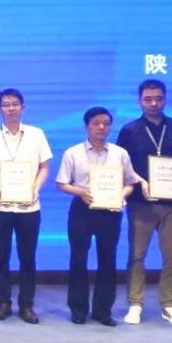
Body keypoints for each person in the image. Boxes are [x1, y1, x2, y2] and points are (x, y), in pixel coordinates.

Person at [116, 79, 172, 326]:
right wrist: (141, 181)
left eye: (158, 98)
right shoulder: (129, 130)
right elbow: (122, 165)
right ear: (140, 101)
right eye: (148, 99)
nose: (153, 103)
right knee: (137, 255)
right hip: (141, 203)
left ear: (165, 99)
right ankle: (135, 304)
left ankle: (169, 304)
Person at [56, 107, 141, 326]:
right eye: (96, 123)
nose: (102, 127)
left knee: (108, 260)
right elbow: (62, 183)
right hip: (82, 210)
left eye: (106, 123)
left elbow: (130, 183)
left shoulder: (120, 153)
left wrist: (121, 197)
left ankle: (103, 311)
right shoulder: (73, 153)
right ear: (87, 127)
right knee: (78, 259)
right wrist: (79, 191)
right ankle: (78, 309)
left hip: (110, 212)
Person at [0, 89, 52, 324]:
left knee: (27, 257)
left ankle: (26, 304)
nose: (11, 108)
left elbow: (44, 167)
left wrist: (35, 189)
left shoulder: (36, 134)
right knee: (1, 256)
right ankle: (3, 302)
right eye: (6, 104)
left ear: (23, 107)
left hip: (29, 207)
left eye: (15, 104)